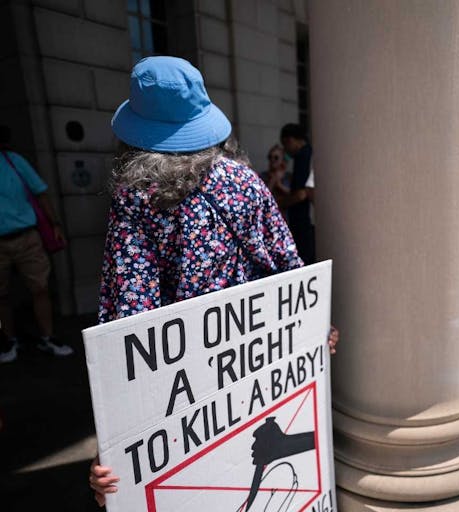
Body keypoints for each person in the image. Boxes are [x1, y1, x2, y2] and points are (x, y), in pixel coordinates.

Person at [89, 56, 337, 506]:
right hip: (256, 367)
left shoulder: (136, 199)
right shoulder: (245, 180)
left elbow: (130, 321)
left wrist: (119, 442)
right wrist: (312, 325)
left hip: (181, 393)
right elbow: (288, 266)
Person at [0, 127, 73, 362]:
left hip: (27, 236)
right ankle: (8, 340)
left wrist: (55, 224)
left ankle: (47, 336)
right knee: (2, 295)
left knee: (40, 288)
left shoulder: (14, 161)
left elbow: (40, 192)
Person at [280, 123, 315, 263]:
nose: (285, 149)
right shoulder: (307, 154)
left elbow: (302, 193)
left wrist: (281, 203)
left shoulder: (303, 156)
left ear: (290, 140)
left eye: (285, 144)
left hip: (305, 221)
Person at [259, 144, 291, 217]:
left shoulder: (289, 176)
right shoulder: (262, 176)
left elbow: (294, 195)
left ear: (282, 160)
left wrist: (279, 185)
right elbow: (263, 197)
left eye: (276, 158)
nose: (272, 160)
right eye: (270, 157)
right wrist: (274, 179)